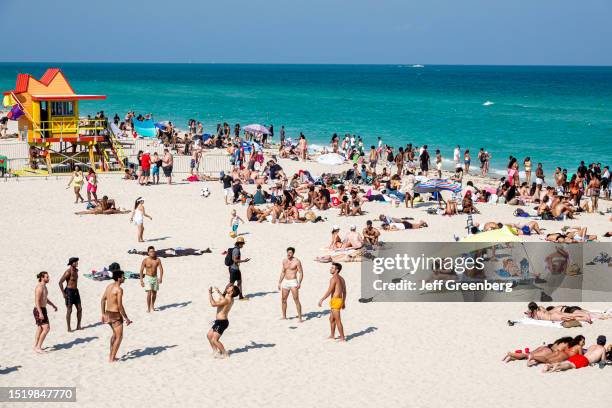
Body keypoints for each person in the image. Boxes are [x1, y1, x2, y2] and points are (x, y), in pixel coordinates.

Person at [101, 267, 132, 363]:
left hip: (108, 313)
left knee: (114, 335)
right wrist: (126, 318)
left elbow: (103, 300)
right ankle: (112, 358)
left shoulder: (109, 286)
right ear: (119, 278)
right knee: (119, 336)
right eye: (123, 277)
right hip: (115, 315)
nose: (124, 278)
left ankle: (111, 354)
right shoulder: (119, 289)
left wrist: (103, 314)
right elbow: (120, 305)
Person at [207, 284, 240, 358]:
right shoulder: (229, 297)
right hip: (218, 321)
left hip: (222, 322)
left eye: (229, 288)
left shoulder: (227, 300)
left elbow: (213, 304)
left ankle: (225, 354)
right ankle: (215, 352)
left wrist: (210, 294)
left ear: (231, 292)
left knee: (215, 340)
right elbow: (224, 299)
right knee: (209, 336)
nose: (227, 288)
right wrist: (219, 292)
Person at [542, 335, 608, 372]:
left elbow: (587, 352)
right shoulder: (603, 349)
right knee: (570, 365)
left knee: (566, 362)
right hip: (585, 360)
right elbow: (603, 360)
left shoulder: (592, 346)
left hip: (579, 356)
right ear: (604, 342)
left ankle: (549, 366)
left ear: (597, 341)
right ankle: (555, 368)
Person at [318, 263, 346, 341]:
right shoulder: (342, 279)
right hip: (339, 300)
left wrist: (322, 299)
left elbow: (329, 291)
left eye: (333, 268)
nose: (331, 269)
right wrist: (343, 302)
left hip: (335, 301)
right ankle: (332, 335)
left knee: (338, 320)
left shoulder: (333, 279)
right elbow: (345, 292)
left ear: (337, 270)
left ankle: (342, 338)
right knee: (331, 319)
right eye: (331, 268)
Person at [34, 271, 58, 353]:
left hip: (43, 309)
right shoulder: (39, 287)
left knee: (40, 329)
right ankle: (38, 347)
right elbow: (36, 301)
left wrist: (53, 305)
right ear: (42, 278)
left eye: (48, 277)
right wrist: (40, 312)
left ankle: (36, 346)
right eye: (47, 277)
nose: (48, 278)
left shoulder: (45, 287)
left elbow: (45, 299)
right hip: (39, 309)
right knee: (46, 328)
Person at [278, 247, 304, 322]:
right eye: (288, 252)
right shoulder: (284, 261)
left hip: (293, 281)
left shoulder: (297, 261)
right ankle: (284, 316)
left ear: (293, 253)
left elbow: (301, 272)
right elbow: (283, 272)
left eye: (290, 253)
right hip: (285, 281)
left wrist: (299, 282)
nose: (289, 254)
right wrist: (279, 282)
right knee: (283, 299)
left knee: (296, 299)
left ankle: (300, 318)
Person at [58, 257, 82, 332]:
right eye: (76, 262)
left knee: (80, 308)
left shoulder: (76, 271)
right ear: (72, 263)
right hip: (69, 291)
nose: (77, 263)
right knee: (69, 310)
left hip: (76, 291)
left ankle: (78, 326)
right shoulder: (68, 272)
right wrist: (63, 293)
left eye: (77, 262)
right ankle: (69, 328)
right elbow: (60, 282)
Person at [139, 246, 164, 312]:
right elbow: (141, 271)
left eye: (153, 251)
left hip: (155, 277)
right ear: (148, 253)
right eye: (151, 252)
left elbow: (161, 269)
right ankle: (148, 308)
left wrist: (161, 278)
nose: (152, 253)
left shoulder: (157, 260)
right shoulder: (145, 260)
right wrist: (141, 281)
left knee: (154, 293)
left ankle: (152, 305)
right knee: (149, 293)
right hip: (148, 278)